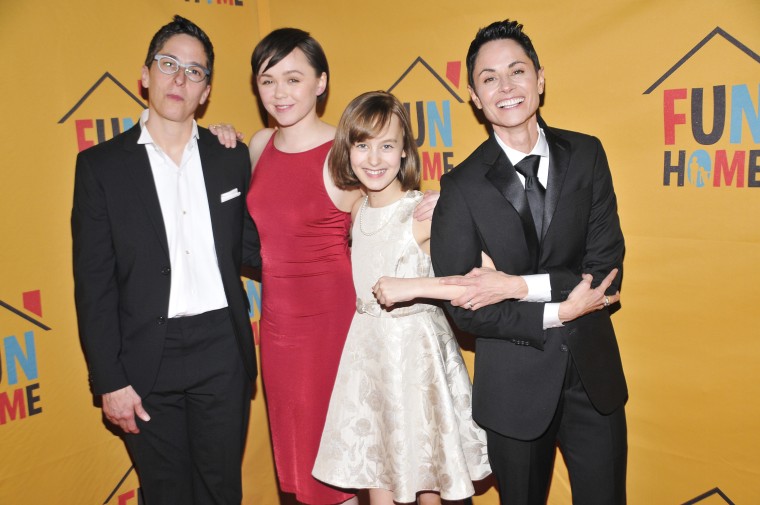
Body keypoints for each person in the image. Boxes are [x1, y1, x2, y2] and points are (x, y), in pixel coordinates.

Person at [430, 19, 628, 505]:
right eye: (489, 78)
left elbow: (604, 272)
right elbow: (466, 305)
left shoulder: (587, 154)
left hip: (593, 378)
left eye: (517, 71)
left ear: (540, 78)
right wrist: (559, 308)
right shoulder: (462, 188)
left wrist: (516, 285)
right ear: (474, 97)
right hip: (513, 391)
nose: (506, 87)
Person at [72, 15, 259, 505]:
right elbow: (93, 283)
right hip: (144, 355)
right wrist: (109, 380)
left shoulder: (230, 157)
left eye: (194, 71)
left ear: (206, 91)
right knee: (165, 494)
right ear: (145, 74)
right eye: (169, 64)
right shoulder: (101, 167)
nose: (180, 78)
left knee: (222, 491)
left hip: (222, 349)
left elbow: (261, 245)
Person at [245, 28, 438, 505]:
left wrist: (437, 210)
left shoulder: (345, 155)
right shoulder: (258, 145)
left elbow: (387, 220)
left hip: (333, 329)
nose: (280, 92)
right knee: (300, 470)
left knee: (347, 465)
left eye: (294, 78)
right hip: (276, 332)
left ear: (321, 83)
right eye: (268, 80)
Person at [311, 91, 491, 505]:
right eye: (362, 145)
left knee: (426, 486)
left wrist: (413, 286)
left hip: (416, 360)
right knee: (378, 481)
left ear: (405, 151)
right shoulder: (356, 211)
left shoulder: (422, 213)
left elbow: (483, 278)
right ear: (347, 150)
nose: (374, 159)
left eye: (387, 145)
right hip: (368, 358)